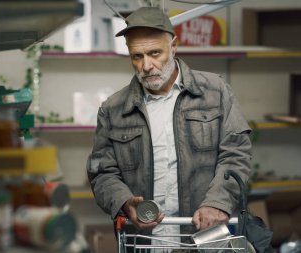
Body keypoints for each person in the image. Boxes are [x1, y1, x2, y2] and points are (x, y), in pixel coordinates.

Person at [87, 6, 252, 252]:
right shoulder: (113, 109)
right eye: (137, 56)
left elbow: (236, 154)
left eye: (155, 53)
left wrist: (218, 203)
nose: (146, 65)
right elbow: (102, 172)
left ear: (174, 46)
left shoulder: (215, 92)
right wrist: (123, 201)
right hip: (143, 241)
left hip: (204, 238)